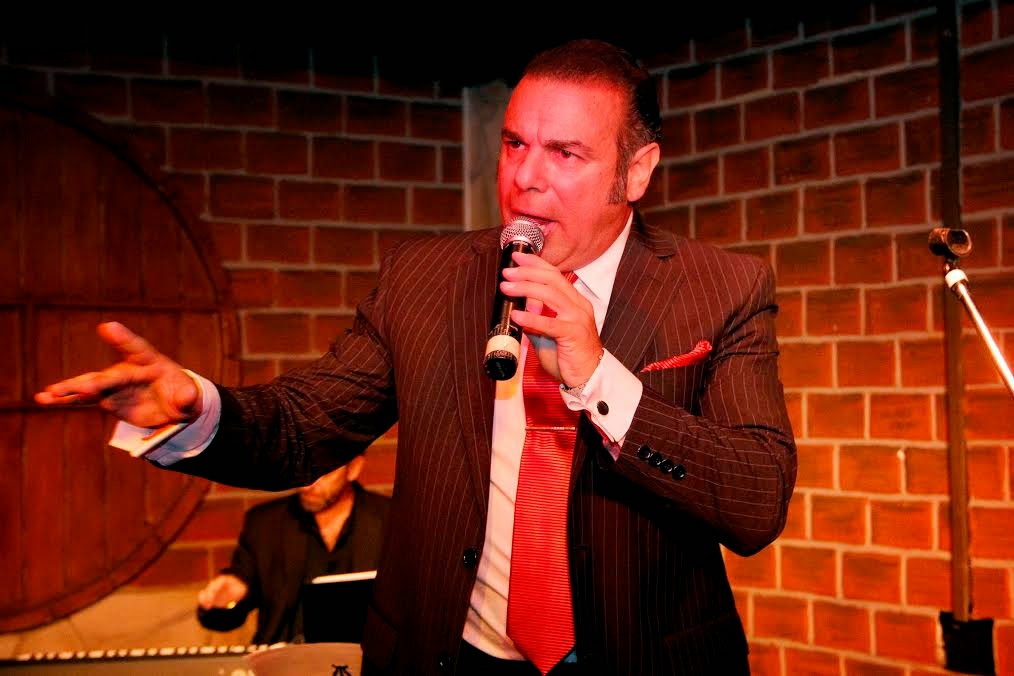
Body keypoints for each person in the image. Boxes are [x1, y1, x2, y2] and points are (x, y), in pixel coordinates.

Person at [36, 39, 797, 675]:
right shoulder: (426, 279)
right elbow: (305, 425)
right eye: (514, 144)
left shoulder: (722, 290)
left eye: (565, 153)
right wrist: (196, 407)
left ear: (636, 172)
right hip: (451, 655)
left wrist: (599, 377)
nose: (525, 178)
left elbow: (756, 501)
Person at [196, 455, 390, 645]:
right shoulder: (265, 524)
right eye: (302, 471)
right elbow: (226, 618)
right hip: (283, 655)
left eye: (322, 473)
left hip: (365, 658)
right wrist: (223, 602)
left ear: (354, 468)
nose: (307, 485)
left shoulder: (390, 520)